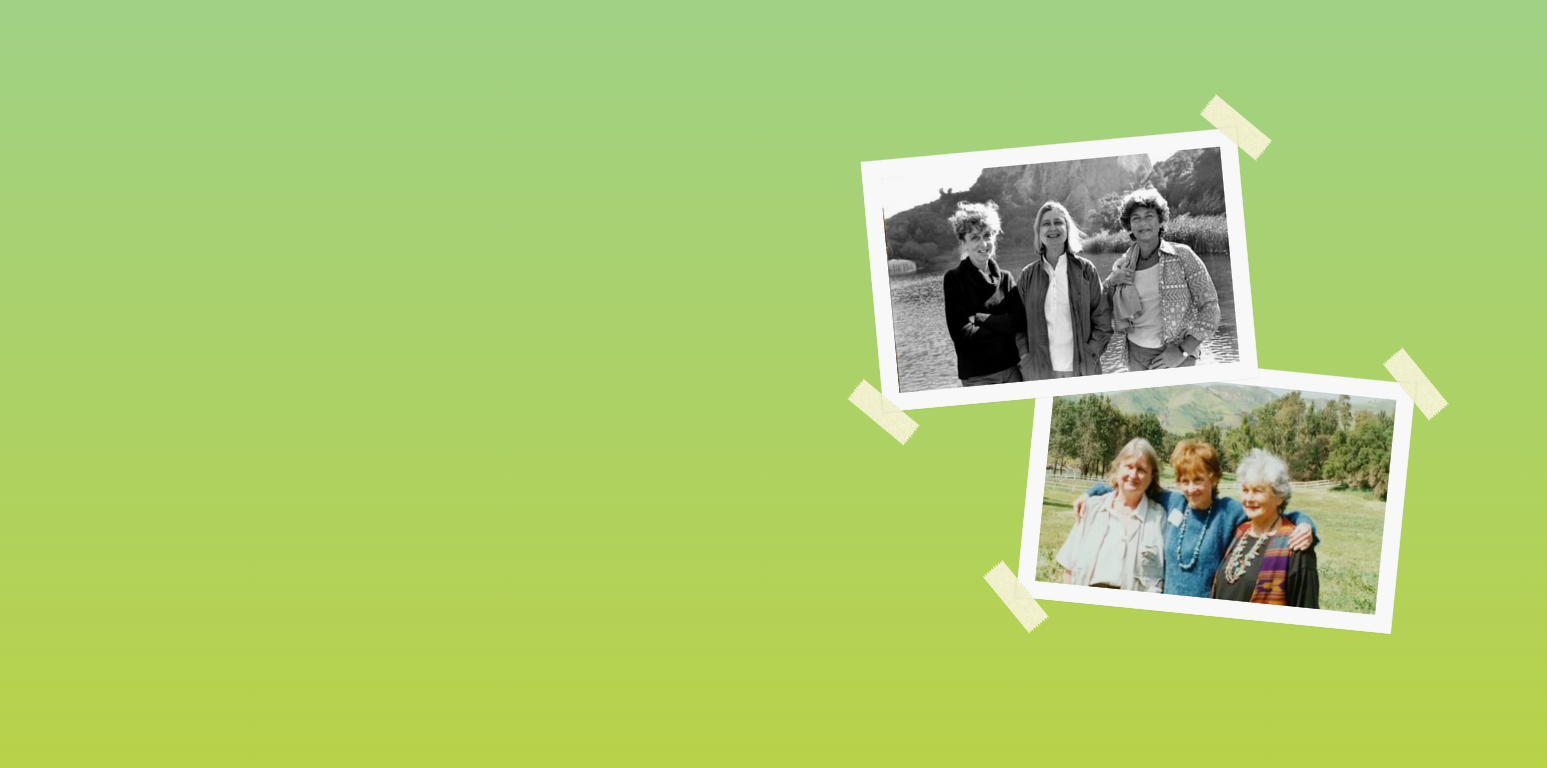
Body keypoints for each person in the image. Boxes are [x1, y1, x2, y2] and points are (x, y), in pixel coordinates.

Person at [1071, 439, 1317, 598]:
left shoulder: (1228, 511)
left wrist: (1305, 523)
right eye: (1185, 481)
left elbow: (1275, 514)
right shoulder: (1174, 502)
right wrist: (1090, 493)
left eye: (1198, 480)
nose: (1191, 489)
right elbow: (1132, 485)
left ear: (1214, 478)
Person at [1103, 189, 1220, 371]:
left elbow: (1210, 308)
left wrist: (1182, 350)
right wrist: (1112, 282)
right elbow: (1102, 303)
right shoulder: (1125, 263)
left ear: (1160, 221)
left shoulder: (1183, 256)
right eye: (1136, 218)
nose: (1143, 223)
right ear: (1129, 226)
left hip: (1177, 357)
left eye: (1149, 216)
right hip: (1135, 354)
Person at [1013, 201, 1111, 380]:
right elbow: (1017, 325)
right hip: (1040, 372)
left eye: (1058, 222)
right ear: (1039, 232)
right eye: (1046, 223)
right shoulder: (1027, 275)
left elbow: (1103, 319)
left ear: (1067, 228)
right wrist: (1025, 355)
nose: (1053, 228)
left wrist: (1091, 354)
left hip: (1082, 370)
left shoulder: (1086, 270)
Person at [1055, 439, 1167, 592]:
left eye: (1141, 470)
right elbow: (1069, 569)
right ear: (1118, 467)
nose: (1133, 475)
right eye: (1129, 466)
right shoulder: (1091, 509)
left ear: (1152, 476)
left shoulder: (1159, 519)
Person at [1212, 449, 1319, 607]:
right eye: (1245, 490)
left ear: (1279, 496)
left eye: (1258, 491)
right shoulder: (1238, 531)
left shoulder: (1296, 544)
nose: (1249, 498)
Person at [941, 201, 1023, 387]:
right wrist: (1003, 325)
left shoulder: (1006, 278)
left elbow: (1018, 322)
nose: (983, 243)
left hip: (1013, 372)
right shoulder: (954, 279)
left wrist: (979, 318)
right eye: (974, 237)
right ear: (964, 243)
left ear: (994, 237)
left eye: (987, 235)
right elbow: (963, 335)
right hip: (978, 377)